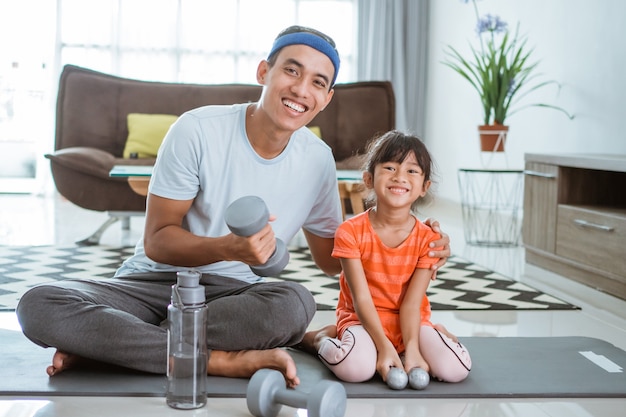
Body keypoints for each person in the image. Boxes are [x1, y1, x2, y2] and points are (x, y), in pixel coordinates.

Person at [16, 26, 451, 388]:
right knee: (38, 303)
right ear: (265, 71)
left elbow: (329, 261)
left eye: (318, 82)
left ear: (327, 98)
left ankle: (116, 349)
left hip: (232, 298)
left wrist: (409, 239)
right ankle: (217, 361)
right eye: (291, 71)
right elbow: (157, 241)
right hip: (150, 285)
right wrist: (229, 248)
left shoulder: (316, 159)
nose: (301, 89)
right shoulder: (197, 130)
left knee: (294, 304)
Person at [300, 131, 471, 385]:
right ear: (369, 179)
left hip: (410, 322)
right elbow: (361, 299)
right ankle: (320, 339)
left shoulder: (428, 238)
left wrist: (412, 347)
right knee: (355, 370)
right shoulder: (350, 232)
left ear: (425, 187)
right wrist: (383, 346)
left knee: (456, 370)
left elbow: (412, 304)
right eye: (390, 167)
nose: (399, 176)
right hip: (362, 319)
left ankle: (430, 337)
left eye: (412, 171)